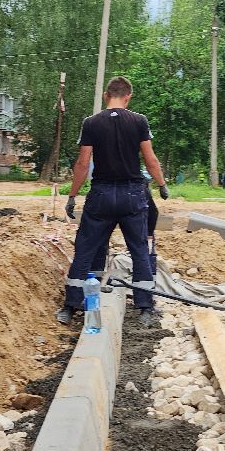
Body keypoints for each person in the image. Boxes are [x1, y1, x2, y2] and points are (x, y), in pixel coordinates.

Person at [60, 75, 170, 325]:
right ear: (128, 97)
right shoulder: (139, 121)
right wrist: (162, 185)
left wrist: (72, 195)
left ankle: (70, 307)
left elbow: (83, 163)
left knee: (86, 249)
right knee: (139, 249)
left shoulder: (91, 123)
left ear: (106, 96)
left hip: (101, 195)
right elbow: (150, 159)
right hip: (132, 195)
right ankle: (145, 309)